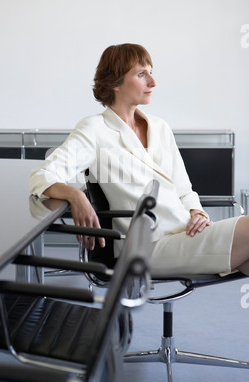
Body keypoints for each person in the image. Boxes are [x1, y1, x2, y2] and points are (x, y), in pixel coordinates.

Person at [29, 43, 249, 277]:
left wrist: (198, 213)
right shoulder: (95, 129)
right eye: (141, 74)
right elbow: (42, 177)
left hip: (188, 233)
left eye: (151, 73)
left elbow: (184, 189)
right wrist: (75, 195)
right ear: (115, 82)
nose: (153, 83)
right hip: (149, 245)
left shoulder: (160, 127)